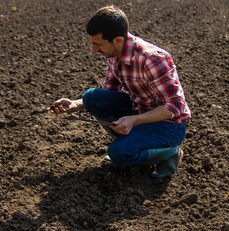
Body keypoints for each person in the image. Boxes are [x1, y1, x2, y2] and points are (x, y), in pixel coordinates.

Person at [47, 5, 191, 179]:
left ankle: (170, 153)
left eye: (98, 44)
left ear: (117, 40)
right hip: (139, 111)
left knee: (119, 153)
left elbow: (175, 106)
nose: (93, 50)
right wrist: (75, 104)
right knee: (92, 97)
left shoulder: (152, 59)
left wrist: (134, 120)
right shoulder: (115, 55)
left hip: (169, 124)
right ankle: (132, 141)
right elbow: (108, 93)